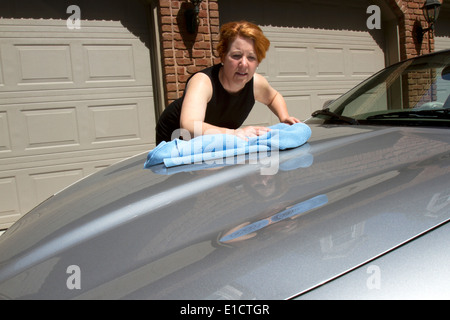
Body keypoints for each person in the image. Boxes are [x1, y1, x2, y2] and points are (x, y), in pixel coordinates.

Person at [155, 20, 300, 144]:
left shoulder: (256, 83)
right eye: (236, 55)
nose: (244, 64)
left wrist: (284, 116)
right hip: (176, 138)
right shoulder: (202, 82)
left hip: (218, 136)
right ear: (223, 56)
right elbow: (188, 127)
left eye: (251, 58)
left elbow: (273, 97)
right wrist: (234, 133)